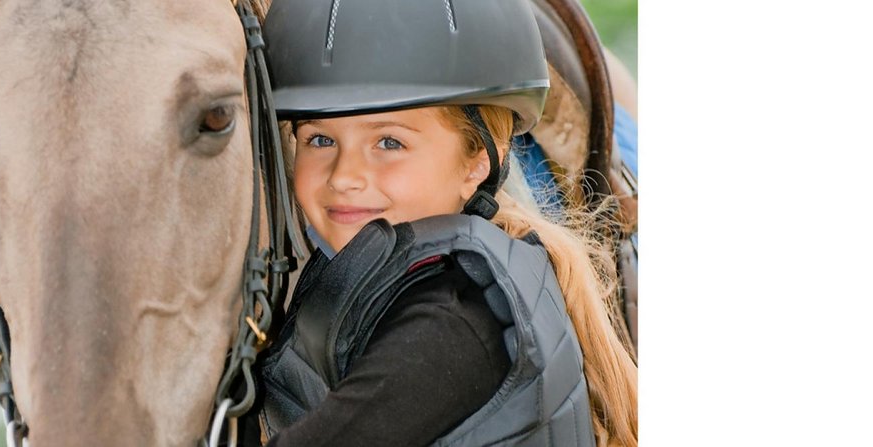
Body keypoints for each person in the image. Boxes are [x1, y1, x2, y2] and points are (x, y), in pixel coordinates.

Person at [247, 0, 638, 446]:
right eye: (319, 139)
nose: (344, 177)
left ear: (477, 160)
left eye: (389, 141)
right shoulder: (386, 277)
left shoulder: (452, 326)